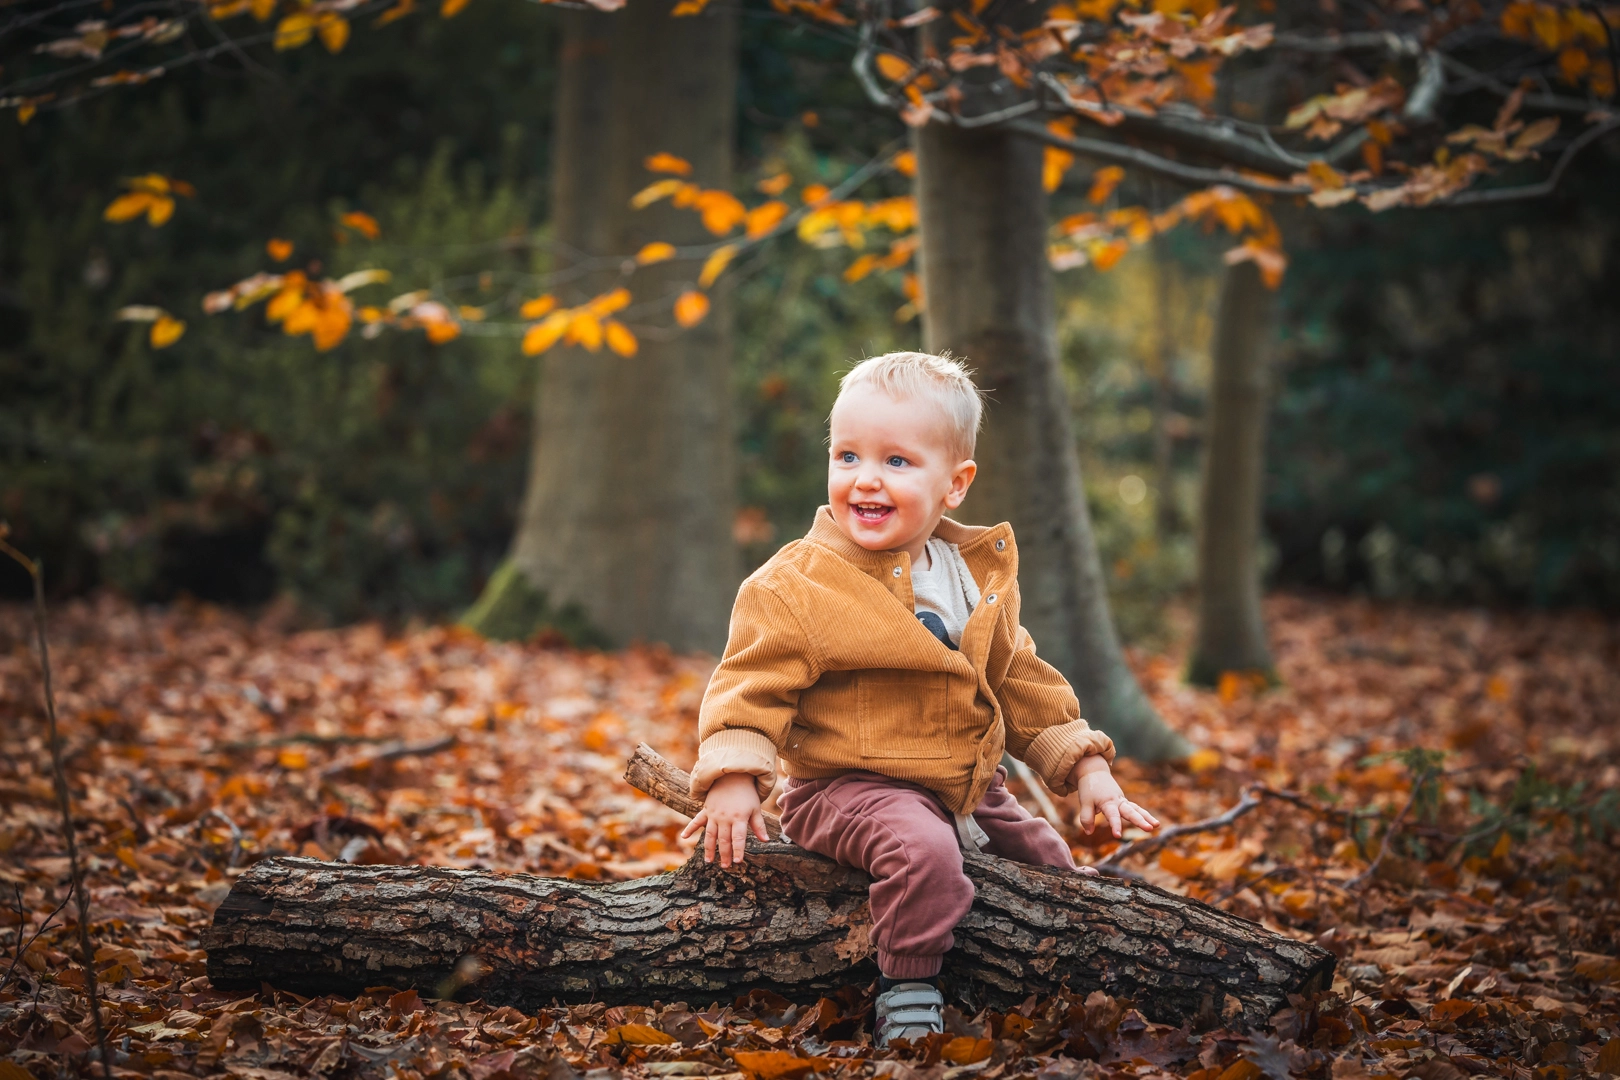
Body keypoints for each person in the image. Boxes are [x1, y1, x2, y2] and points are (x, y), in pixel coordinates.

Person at [679, 351, 1161, 1046]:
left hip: (963, 780)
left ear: (955, 484)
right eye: (847, 456)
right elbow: (747, 685)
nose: (865, 479)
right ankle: (908, 988)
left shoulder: (969, 574)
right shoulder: (796, 585)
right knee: (924, 852)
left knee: (1049, 861)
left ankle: (1072, 983)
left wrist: (1085, 767)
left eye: (897, 462)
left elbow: (1020, 677)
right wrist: (731, 777)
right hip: (847, 787)